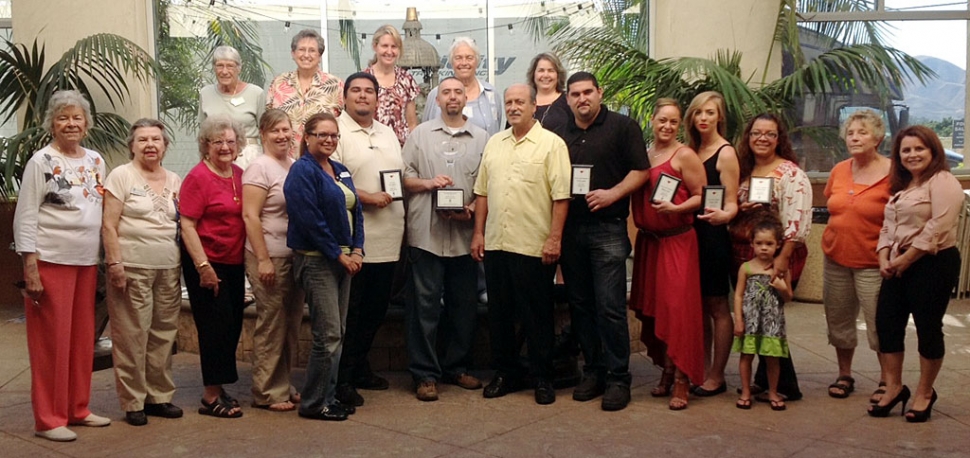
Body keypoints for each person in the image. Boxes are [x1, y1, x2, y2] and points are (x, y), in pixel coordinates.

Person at [13, 90, 111, 442]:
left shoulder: (96, 161)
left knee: (82, 339)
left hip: (86, 261)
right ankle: (48, 418)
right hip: (50, 260)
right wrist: (30, 266)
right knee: (50, 343)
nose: (70, 123)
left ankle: (77, 408)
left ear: (87, 124)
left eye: (76, 118)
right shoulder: (41, 161)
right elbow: (25, 216)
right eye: (62, 118)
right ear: (52, 124)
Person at [471, 83, 571, 405]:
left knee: (537, 315)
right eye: (509, 102)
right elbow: (482, 193)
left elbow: (561, 197)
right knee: (499, 314)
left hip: (533, 246)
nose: (514, 107)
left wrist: (554, 238)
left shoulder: (551, 145)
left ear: (533, 107)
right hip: (498, 244)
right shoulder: (494, 144)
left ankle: (542, 377)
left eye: (520, 102)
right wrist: (478, 233)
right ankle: (505, 373)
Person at [556, 72, 649, 411]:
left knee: (609, 307)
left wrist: (612, 194)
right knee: (580, 305)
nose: (582, 99)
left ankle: (617, 378)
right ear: (567, 99)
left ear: (600, 92)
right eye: (575, 94)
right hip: (570, 230)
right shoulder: (559, 133)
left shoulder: (623, 127)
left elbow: (641, 171)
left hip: (607, 228)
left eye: (587, 92)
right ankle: (592, 371)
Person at [867, 125, 963, 422]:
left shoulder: (944, 181)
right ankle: (894, 387)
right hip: (897, 264)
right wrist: (884, 257)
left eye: (919, 148)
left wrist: (905, 260)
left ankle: (924, 392)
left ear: (933, 150)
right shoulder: (903, 187)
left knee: (927, 328)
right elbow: (887, 228)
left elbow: (938, 227)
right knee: (887, 324)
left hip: (933, 264)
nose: (912, 155)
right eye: (906, 150)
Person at [402, 77, 488, 402]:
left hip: (465, 237)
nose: (452, 97)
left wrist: (469, 208)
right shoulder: (420, 135)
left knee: (463, 306)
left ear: (466, 97)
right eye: (445, 92)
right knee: (423, 307)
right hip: (426, 234)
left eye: (457, 92)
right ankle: (425, 374)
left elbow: (486, 185)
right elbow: (403, 178)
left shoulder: (482, 138)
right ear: (436, 100)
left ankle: (458, 366)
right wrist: (428, 184)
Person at [102, 119, 183, 426]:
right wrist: (115, 263)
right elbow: (109, 224)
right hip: (132, 266)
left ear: (165, 146)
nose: (150, 144)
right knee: (132, 335)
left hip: (168, 267)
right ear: (132, 145)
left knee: (163, 334)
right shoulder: (121, 176)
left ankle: (159, 397)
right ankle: (133, 401)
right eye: (143, 140)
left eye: (156, 139)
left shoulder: (175, 179)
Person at [332, 72, 406, 407]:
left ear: (378, 98)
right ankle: (342, 379)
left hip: (389, 238)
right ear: (344, 97)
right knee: (353, 313)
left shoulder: (388, 132)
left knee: (376, 311)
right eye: (356, 91)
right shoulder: (337, 132)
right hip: (355, 240)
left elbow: (399, 180)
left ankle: (360, 368)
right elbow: (330, 183)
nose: (363, 96)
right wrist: (367, 198)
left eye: (369, 91)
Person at [285, 112, 364, 422]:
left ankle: (328, 397)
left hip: (344, 260)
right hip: (318, 261)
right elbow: (310, 220)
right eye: (322, 135)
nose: (329, 140)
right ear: (307, 137)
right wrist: (337, 254)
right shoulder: (301, 172)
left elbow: (356, 211)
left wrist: (358, 249)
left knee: (338, 333)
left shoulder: (340, 170)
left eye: (334, 136)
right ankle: (314, 403)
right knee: (327, 334)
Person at [629, 98, 706, 411]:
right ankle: (667, 371)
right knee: (656, 309)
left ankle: (683, 379)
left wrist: (676, 208)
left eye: (673, 121)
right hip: (650, 243)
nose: (667, 126)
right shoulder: (646, 155)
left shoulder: (685, 155)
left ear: (679, 125)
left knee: (678, 310)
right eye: (662, 120)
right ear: (652, 120)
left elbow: (702, 196)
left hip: (677, 242)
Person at [729, 113, 811, 402]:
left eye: (770, 134)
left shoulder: (790, 174)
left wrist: (782, 258)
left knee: (771, 317)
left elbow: (797, 221)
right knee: (754, 317)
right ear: (748, 137)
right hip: (743, 255)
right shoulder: (743, 170)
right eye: (755, 133)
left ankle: (785, 385)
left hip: (777, 255)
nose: (762, 138)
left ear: (779, 139)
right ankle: (764, 381)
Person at [179, 115, 247, 419]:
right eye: (217, 141)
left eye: (230, 141)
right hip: (206, 261)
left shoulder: (239, 174)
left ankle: (218, 387)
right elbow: (187, 226)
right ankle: (209, 397)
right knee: (214, 328)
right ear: (206, 145)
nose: (225, 146)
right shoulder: (197, 177)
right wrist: (203, 266)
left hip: (234, 261)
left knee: (231, 326)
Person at [822, 110, 891, 401]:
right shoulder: (839, 170)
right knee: (838, 320)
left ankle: (888, 380)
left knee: (880, 323)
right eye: (850, 133)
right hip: (835, 258)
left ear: (878, 137)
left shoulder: (893, 172)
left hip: (873, 263)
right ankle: (844, 374)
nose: (855, 137)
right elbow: (831, 203)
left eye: (862, 132)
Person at [242, 109, 302, 412]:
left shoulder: (293, 165)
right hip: (269, 257)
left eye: (286, 129)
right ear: (263, 134)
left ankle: (283, 383)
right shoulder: (259, 168)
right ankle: (266, 391)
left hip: (294, 255)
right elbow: (250, 216)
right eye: (275, 130)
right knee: (272, 324)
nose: (282, 135)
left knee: (290, 325)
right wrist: (263, 259)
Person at [684, 91, 740, 397]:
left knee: (717, 305)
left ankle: (717, 375)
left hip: (712, 236)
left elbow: (733, 203)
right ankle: (702, 369)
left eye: (709, 112)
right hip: (687, 235)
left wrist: (723, 215)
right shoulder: (691, 149)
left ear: (720, 117)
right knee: (699, 307)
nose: (703, 118)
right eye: (698, 113)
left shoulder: (726, 152)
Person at [733, 218, 794, 412]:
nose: (764, 248)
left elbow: (789, 297)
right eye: (759, 243)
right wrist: (739, 321)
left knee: (772, 358)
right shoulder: (746, 268)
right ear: (752, 244)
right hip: (751, 321)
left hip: (772, 322)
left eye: (769, 244)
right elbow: (738, 295)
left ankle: (773, 391)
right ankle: (745, 391)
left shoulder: (782, 270)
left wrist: (782, 287)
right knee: (747, 355)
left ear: (778, 245)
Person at [267, 29, 344, 154]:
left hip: (323, 160)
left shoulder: (336, 85)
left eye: (312, 50)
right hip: (284, 159)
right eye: (302, 49)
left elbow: (344, 124)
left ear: (319, 56)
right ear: (293, 53)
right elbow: (268, 124)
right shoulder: (278, 83)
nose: (306, 55)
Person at [199, 45, 266, 168]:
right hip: (216, 157)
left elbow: (265, 133)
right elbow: (202, 136)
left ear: (239, 68)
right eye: (220, 65)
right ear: (214, 68)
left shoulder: (256, 93)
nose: (224, 71)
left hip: (248, 157)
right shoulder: (205, 93)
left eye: (230, 66)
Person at [423, 37, 502, 136]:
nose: (464, 63)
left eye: (469, 58)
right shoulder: (436, 93)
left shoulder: (491, 94)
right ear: (451, 62)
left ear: (477, 61)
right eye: (458, 58)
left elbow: (496, 127)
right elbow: (425, 132)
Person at [364, 25, 421, 146]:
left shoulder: (406, 80)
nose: (389, 51)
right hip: (372, 146)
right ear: (375, 47)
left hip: (401, 149)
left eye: (394, 47)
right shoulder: (364, 79)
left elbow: (412, 123)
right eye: (385, 46)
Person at [527, 52, 570, 133]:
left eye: (551, 71)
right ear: (533, 74)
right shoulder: (523, 101)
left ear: (558, 75)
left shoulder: (569, 101)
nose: (546, 75)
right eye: (541, 70)